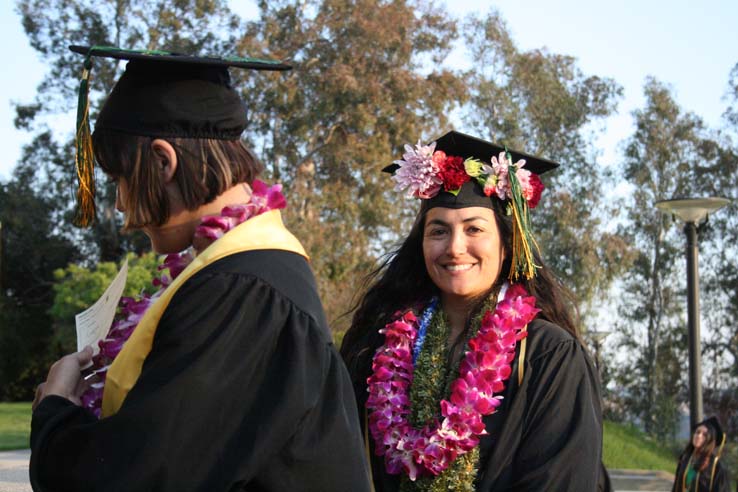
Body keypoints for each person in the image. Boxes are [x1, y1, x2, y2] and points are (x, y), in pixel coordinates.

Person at [30, 46, 370, 491]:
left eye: (119, 180)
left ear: (162, 161)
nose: (117, 204)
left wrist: (55, 408)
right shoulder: (248, 271)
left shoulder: (242, 290)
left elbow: (138, 478)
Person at [340, 131, 608, 491]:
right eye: (438, 231)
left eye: (474, 229)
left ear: (507, 243)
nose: (454, 247)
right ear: (421, 243)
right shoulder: (380, 347)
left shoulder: (549, 355)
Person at [672, 417, 730, 492]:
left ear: (710, 441)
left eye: (704, 435)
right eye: (697, 432)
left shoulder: (716, 467)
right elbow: (676, 487)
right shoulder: (685, 459)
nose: (699, 436)